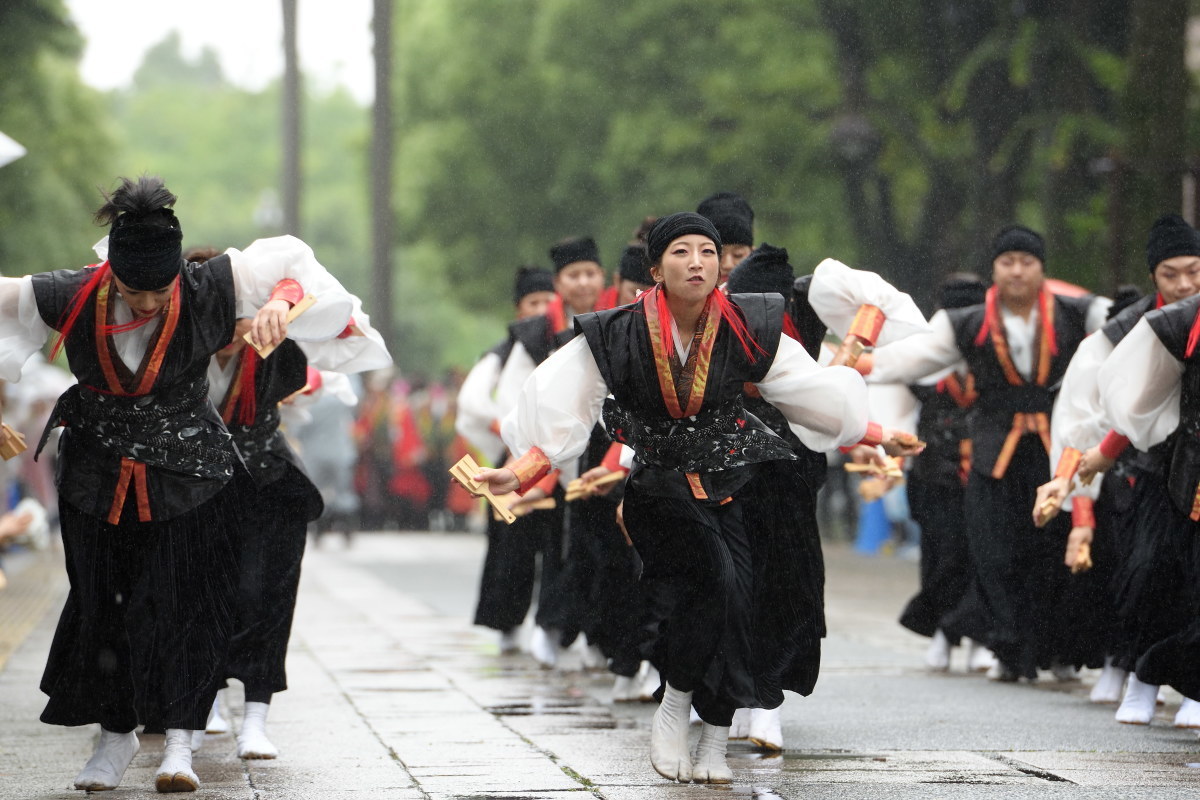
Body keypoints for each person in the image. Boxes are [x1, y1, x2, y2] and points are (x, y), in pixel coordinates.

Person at [473, 212, 920, 784]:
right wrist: (523, 472)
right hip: (657, 489)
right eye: (681, 252)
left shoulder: (750, 324)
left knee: (737, 601)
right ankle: (676, 701)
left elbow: (808, 390)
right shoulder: (617, 330)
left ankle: (713, 737)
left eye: (707, 252)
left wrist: (877, 434)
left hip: (727, 486)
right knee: (716, 582)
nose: (698, 262)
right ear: (655, 268)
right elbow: (564, 399)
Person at [0, 176, 354, 793]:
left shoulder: (210, 285)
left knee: (190, 602)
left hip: (191, 473)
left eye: (159, 290)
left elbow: (295, 270)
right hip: (95, 474)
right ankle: (114, 738)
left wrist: (277, 303)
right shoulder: (69, 295)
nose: (148, 304)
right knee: (102, 605)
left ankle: (183, 745)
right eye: (134, 291)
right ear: (111, 271)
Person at [865, 225, 1110, 682]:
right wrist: (860, 363)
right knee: (996, 552)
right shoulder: (967, 321)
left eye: (1027, 262)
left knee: (1055, 550)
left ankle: (1057, 650)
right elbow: (912, 358)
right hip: (993, 451)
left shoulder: (1080, 312)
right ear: (994, 270)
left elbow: (1132, 342)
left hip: (1056, 450)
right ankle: (1009, 647)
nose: (1017, 271)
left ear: (1041, 268)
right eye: (1007, 262)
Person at [1035, 215, 1200, 714]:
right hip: (1154, 467)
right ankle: (1139, 673)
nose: (1185, 284)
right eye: (1172, 273)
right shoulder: (1136, 330)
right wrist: (1069, 489)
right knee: (1149, 569)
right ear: (1154, 276)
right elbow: (1088, 418)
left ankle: (1192, 689)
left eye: (1195, 271)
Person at [456, 266, 559, 654]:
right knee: (510, 548)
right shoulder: (503, 352)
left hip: (558, 456)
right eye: (534, 302)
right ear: (519, 309)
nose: (542, 308)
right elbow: (472, 402)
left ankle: (553, 626)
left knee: (555, 544)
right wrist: (507, 428)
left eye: (548, 301)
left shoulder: (568, 343)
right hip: (514, 458)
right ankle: (508, 625)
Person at [697, 192, 754, 285]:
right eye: (718, 254)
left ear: (753, 254)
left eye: (738, 255)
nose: (728, 265)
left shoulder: (772, 296)